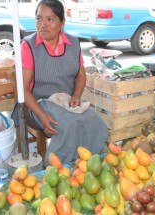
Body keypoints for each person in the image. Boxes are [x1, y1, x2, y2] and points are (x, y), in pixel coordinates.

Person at [12, 0, 108, 167]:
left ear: (62, 22)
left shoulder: (73, 44)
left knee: (95, 121)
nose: (42, 25)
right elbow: (22, 89)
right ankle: (56, 171)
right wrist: (42, 116)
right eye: (39, 18)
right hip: (36, 104)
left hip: (65, 102)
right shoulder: (28, 47)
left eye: (50, 19)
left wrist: (76, 95)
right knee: (68, 126)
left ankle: (84, 165)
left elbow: (80, 76)